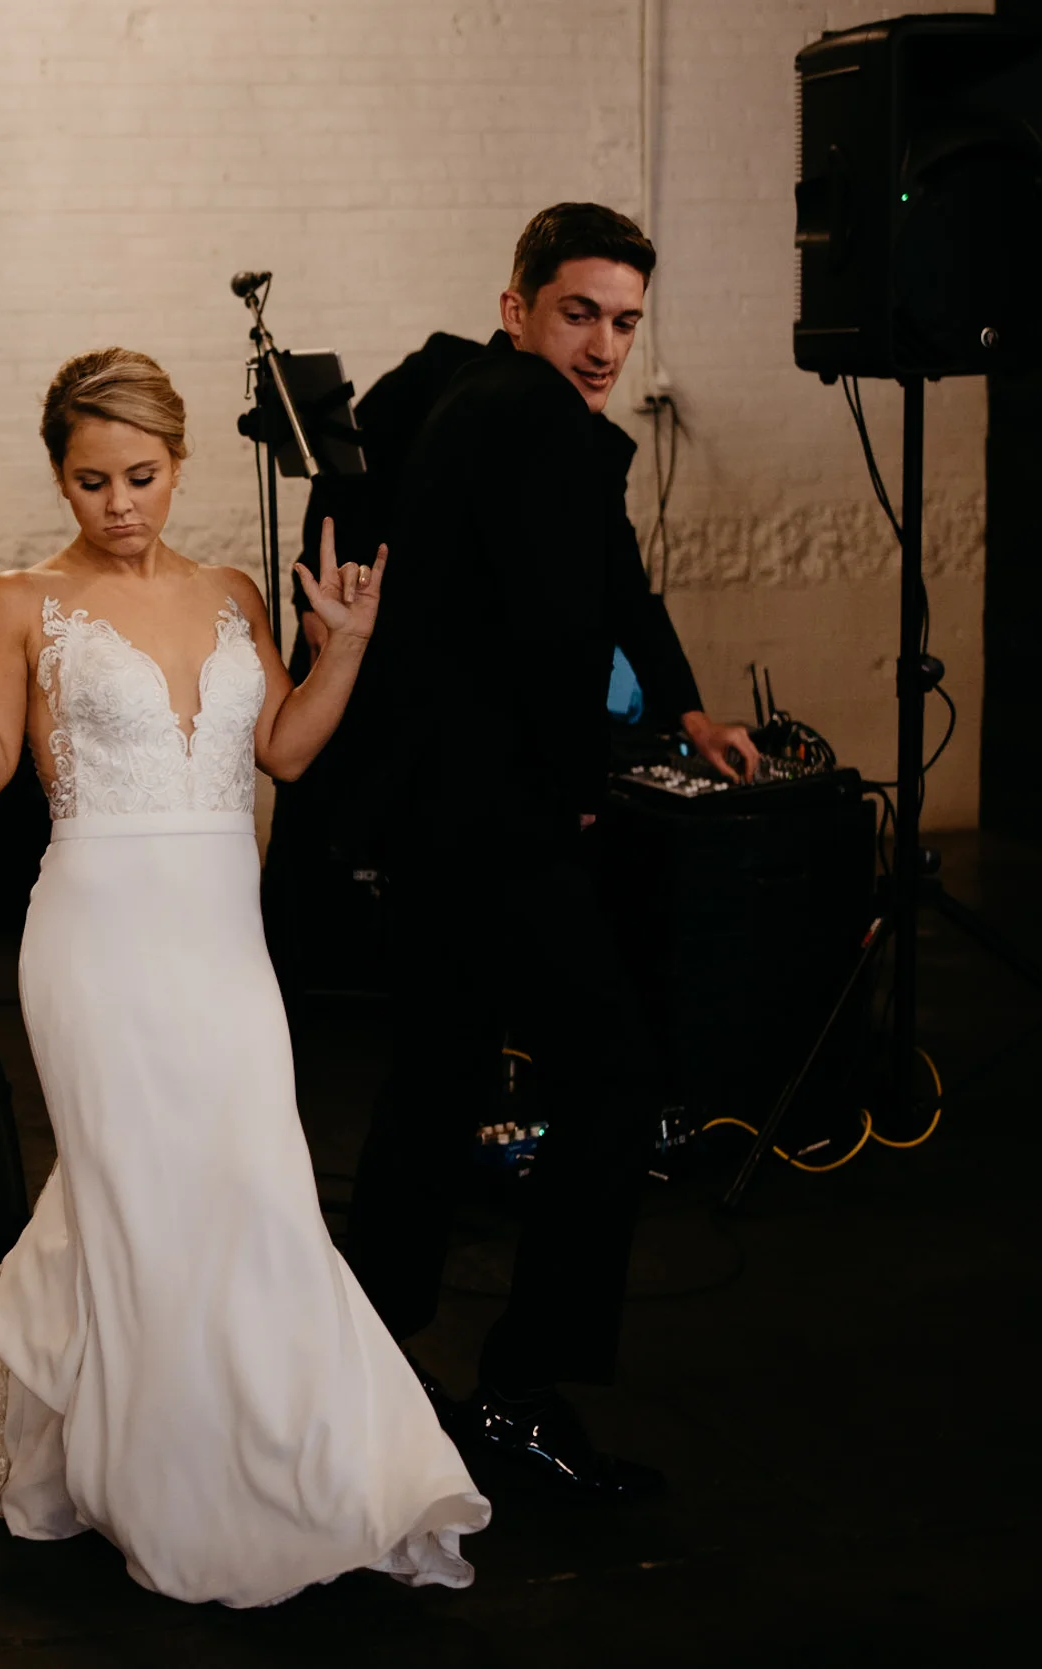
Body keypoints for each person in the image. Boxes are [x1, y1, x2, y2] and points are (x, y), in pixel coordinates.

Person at [0, 348, 488, 1608]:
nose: (119, 504)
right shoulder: (21, 599)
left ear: (178, 464)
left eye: (142, 475)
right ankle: (158, 1474)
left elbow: (282, 749)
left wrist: (346, 651)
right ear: (58, 477)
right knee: (134, 1197)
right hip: (94, 939)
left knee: (254, 1187)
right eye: (91, 480)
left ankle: (277, 1445)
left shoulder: (230, 592)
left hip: (223, 943)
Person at [342, 204, 757, 1503]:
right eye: (580, 312)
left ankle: (355, 1369)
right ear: (516, 306)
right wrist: (583, 789)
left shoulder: (470, 397)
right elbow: (557, 627)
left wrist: (686, 706)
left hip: (437, 813)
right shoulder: (524, 413)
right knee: (613, 1077)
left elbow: (614, 575)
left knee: (436, 1081)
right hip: (497, 820)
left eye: (625, 321)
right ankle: (520, 1393)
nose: (604, 346)